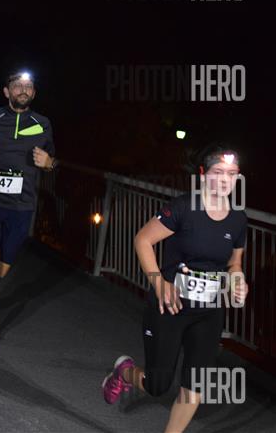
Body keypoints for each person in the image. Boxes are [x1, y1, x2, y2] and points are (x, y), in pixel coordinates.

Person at [102, 145, 249, 433]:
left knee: (195, 386)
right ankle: (125, 372)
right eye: (218, 172)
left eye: (232, 174)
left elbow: (234, 264)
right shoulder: (183, 208)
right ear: (203, 175)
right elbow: (142, 240)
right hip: (169, 307)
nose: (225, 180)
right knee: (157, 385)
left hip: (208, 312)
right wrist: (158, 282)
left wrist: (237, 281)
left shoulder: (238, 219)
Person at [0, 71, 57, 354]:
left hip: (21, 206)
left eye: (28, 86)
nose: (23, 89)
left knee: (1, 271)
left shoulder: (42, 123)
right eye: (17, 85)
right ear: (7, 91)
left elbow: (53, 160)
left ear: (34, 93)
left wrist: (49, 163)